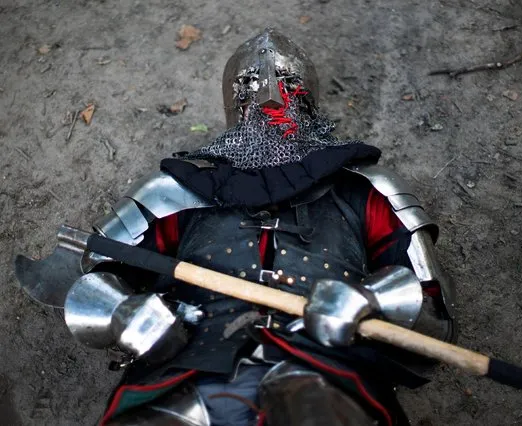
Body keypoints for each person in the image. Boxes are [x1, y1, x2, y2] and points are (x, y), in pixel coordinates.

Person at [40, 29, 458, 426]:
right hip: (188, 360)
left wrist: (369, 303)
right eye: (249, 85)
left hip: (327, 365)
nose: (272, 96)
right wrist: (127, 312)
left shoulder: (367, 189)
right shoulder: (173, 191)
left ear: (309, 100)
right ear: (233, 105)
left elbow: (435, 317)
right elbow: (88, 272)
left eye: (289, 83)